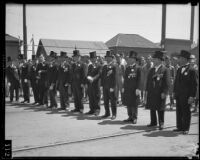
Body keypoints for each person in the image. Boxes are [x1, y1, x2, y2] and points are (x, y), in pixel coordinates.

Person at [173, 50, 198, 134]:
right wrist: (174, 92)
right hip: (179, 94)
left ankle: (186, 128)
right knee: (179, 111)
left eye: (180, 58)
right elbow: (176, 82)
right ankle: (179, 127)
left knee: (186, 112)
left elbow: (194, 85)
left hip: (187, 96)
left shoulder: (192, 70)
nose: (179, 59)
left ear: (184, 59)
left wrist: (192, 96)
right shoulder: (179, 69)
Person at [146, 51, 170, 130]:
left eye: (155, 59)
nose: (153, 60)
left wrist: (164, 92)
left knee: (160, 108)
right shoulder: (152, 69)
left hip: (160, 92)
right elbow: (149, 80)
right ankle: (153, 122)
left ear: (159, 60)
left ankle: (161, 123)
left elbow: (167, 82)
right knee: (152, 107)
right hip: (152, 92)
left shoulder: (165, 69)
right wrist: (147, 90)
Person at [123, 51, 141, 124]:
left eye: (131, 58)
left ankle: (134, 117)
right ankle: (130, 116)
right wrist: (124, 87)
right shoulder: (127, 68)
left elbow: (139, 79)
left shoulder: (138, 68)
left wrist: (138, 88)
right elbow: (126, 79)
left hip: (134, 89)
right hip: (128, 89)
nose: (129, 60)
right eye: (129, 58)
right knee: (128, 103)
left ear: (134, 59)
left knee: (134, 104)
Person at [101, 50, 117, 120]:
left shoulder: (114, 66)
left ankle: (114, 114)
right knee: (106, 100)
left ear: (111, 58)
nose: (107, 59)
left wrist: (113, 86)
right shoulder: (104, 67)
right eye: (106, 57)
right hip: (105, 86)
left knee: (113, 101)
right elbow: (103, 77)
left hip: (111, 87)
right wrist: (101, 86)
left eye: (108, 57)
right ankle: (107, 113)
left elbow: (115, 77)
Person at [85, 51, 102, 116]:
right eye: (91, 58)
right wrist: (87, 82)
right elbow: (88, 74)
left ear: (96, 58)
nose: (92, 60)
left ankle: (97, 110)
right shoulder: (90, 66)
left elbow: (99, 74)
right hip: (90, 84)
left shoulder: (99, 65)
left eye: (93, 58)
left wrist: (93, 79)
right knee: (91, 97)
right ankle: (92, 110)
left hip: (96, 84)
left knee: (96, 97)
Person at [71, 49, 86, 113]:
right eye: (74, 57)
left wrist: (83, 83)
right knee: (75, 96)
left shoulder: (83, 64)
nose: (75, 58)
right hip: (74, 83)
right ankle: (76, 108)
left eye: (77, 57)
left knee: (80, 96)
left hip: (80, 83)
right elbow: (72, 74)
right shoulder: (73, 65)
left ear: (79, 57)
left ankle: (81, 108)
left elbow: (84, 75)